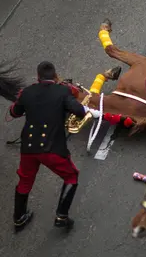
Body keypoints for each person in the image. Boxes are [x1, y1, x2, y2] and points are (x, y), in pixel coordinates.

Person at [9, 61, 104, 232]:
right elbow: (80, 111)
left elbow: (14, 112)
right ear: (55, 76)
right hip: (52, 147)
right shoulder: (62, 91)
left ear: (38, 77)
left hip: (29, 148)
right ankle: (61, 216)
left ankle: (19, 217)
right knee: (71, 177)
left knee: (25, 180)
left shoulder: (27, 92)